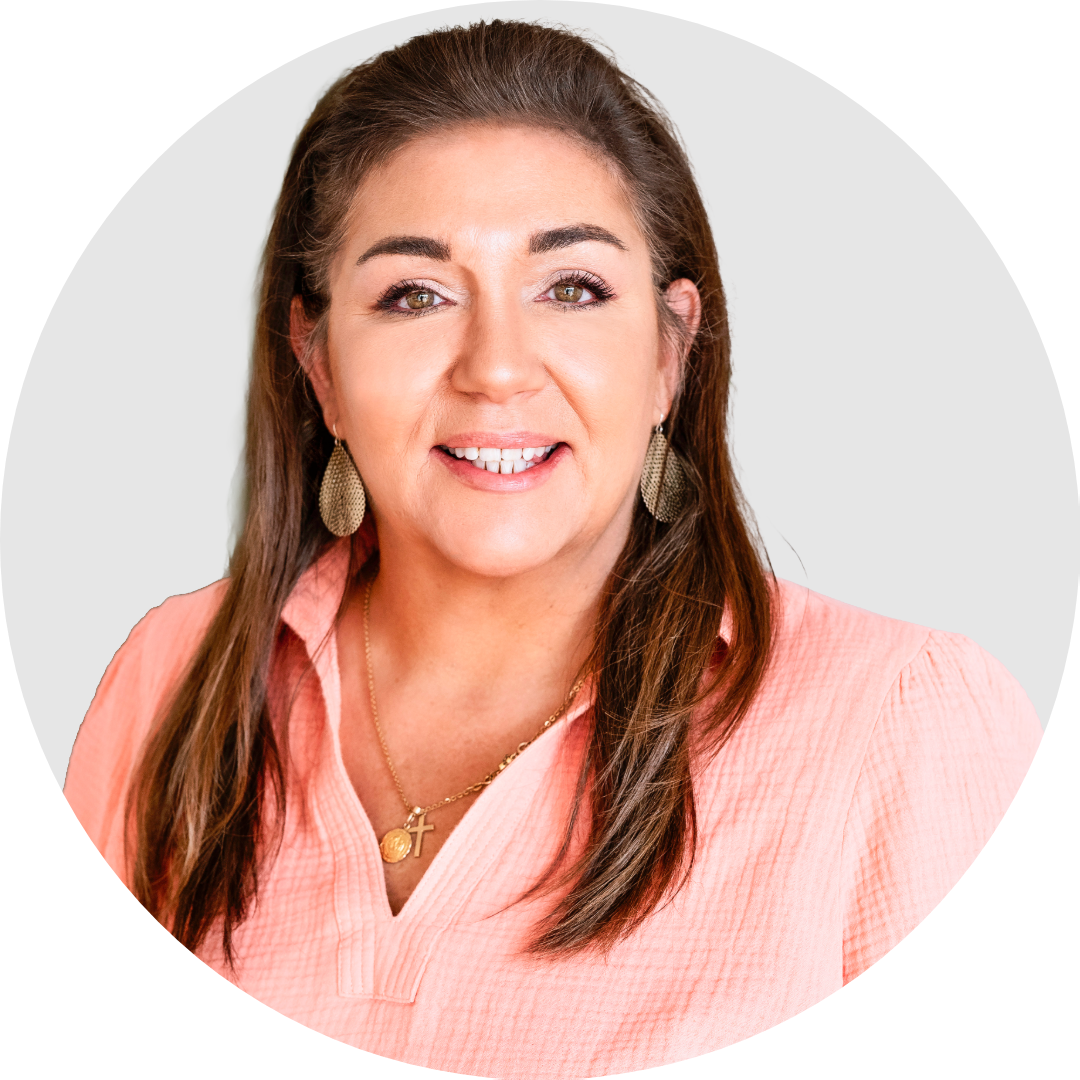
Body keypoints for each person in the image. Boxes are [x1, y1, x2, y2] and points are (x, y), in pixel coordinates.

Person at [64, 19, 1041, 1079]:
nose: (496, 369)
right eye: (415, 295)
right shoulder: (170, 673)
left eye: (571, 288)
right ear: (321, 366)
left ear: (670, 352)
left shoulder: (905, 724)